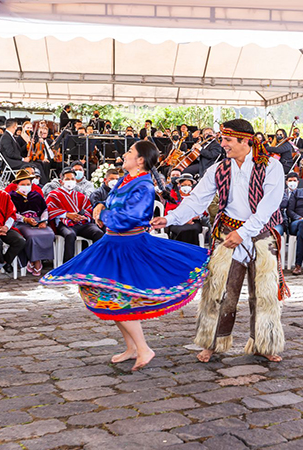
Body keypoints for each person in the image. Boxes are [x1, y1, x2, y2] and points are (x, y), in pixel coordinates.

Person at [41, 140, 209, 371]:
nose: (125, 154)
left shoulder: (144, 186)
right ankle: (132, 347)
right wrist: (100, 206)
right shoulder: (125, 180)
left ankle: (143, 348)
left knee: (115, 296)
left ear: (140, 160)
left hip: (128, 245)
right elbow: (109, 202)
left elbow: (131, 218)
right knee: (100, 290)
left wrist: (104, 215)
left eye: (130, 152)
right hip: (113, 242)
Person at [152, 118, 287, 363]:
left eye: (227, 140)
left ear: (245, 140)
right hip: (227, 234)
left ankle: (264, 343)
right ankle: (212, 343)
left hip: (260, 233)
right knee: (219, 291)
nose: (222, 144)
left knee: (265, 294)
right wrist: (170, 218)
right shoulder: (218, 169)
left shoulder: (271, 167)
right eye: (222, 139)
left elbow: (269, 205)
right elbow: (196, 200)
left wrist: (244, 232)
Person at [47, 168, 104, 264]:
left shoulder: (80, 195)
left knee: (98, 233)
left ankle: (95, 262)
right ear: (61, 181)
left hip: (82, 223)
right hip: (65, 223)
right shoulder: (54, 195)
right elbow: (49, 209)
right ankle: (68, 265)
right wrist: (67, 214)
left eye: (72, 179)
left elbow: (89, 209)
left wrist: (83, 215)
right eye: (67, 179)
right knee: (70, 235)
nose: (70, 181)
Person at [9, 168, 55, 276]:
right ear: (17, 185)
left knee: (49, 233)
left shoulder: (36, 195)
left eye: (28, 184)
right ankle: (36, 261)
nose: (26, 186)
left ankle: (37, 260)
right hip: (21, 223)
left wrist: (44, 221)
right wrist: (25, 219)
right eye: (23, 184)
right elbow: (11, 213)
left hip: (37, 221)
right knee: (31, 236)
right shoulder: (12, 196)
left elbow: (44, 209)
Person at [164, 174, 206, 246]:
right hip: (176, 222)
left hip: (193, 222)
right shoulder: (173, 195)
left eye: (189, 185)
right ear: (179, 185)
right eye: (184, 185)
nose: (187, 187)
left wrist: (191, 218)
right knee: (182, 230)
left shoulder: (195, 195)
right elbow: (169, 211)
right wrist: (184, 219)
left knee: (193, 230)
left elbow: (202, 211)